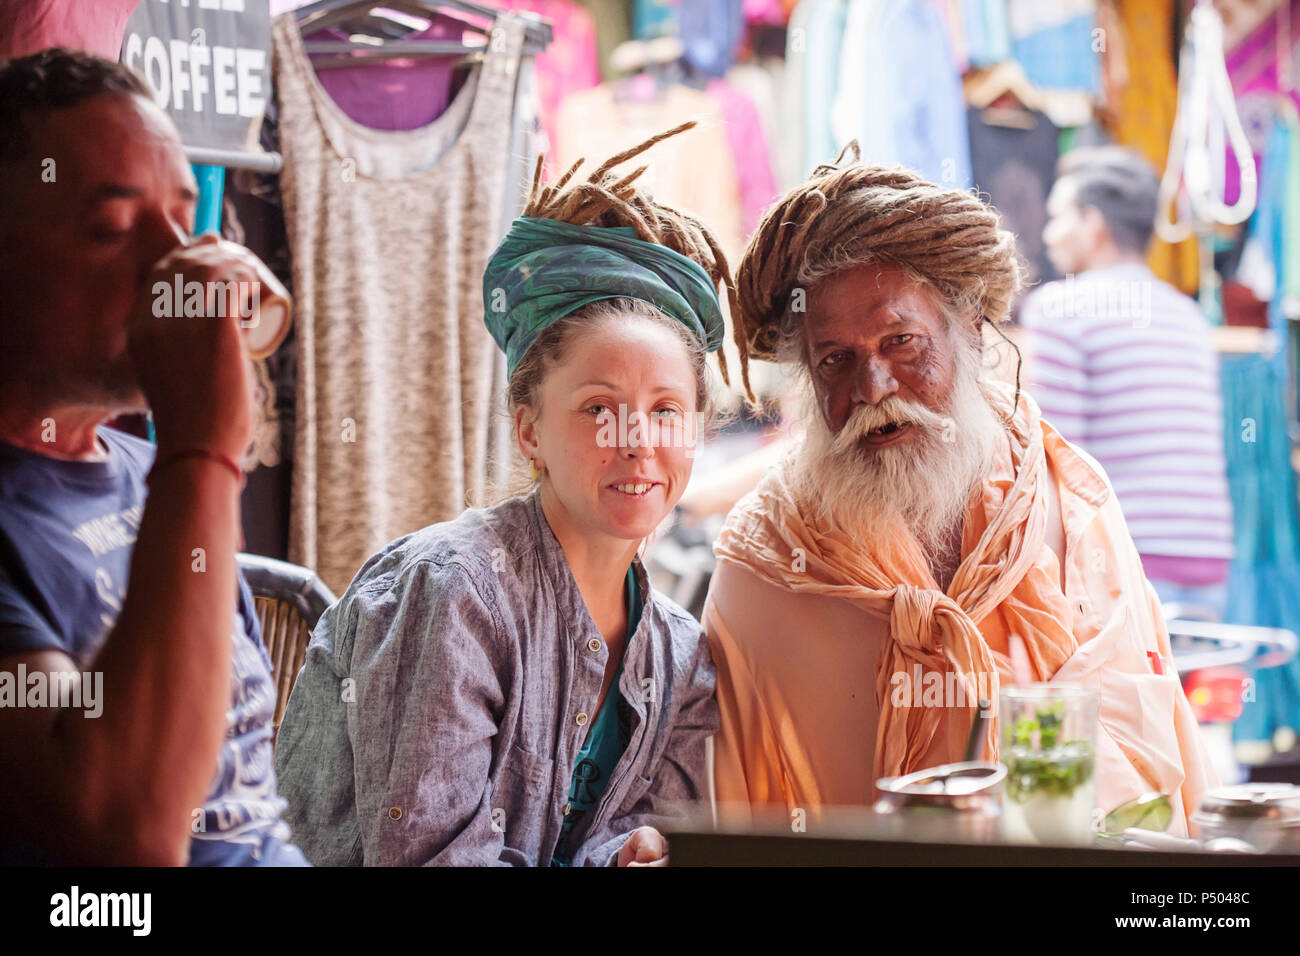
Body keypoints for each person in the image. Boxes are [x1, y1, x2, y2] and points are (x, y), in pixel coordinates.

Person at [702, 145, 1218, 837]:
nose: (874, 389)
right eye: (836, 360)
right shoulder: (765, 562)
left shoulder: (1069, 501)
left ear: (971, 333)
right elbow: (736, 824)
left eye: (903, 341)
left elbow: (1153, 773)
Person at [274, 125, 724, 866]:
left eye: (666, 411)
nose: (638, 440)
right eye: (598, 408)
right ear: (530, 431)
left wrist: (634, 851)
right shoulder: (456, 595)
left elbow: (656, 831)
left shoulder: (682, 658)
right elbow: (429, 856)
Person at [0, 48, 306, 865]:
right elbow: (127, 843)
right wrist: (205, 447)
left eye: (181, 217)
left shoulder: (148, 479)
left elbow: (246, 795)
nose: (176, 265)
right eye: (112, 227)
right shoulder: (180, 473)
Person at [1022, 146, 1234, 619]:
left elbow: (1056, 458)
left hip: (1119, 563)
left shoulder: (1062, 309)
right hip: (1206, 562)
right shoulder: (1189, 316)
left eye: (1059, 217)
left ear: (1092, 224)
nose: (1049, 234)